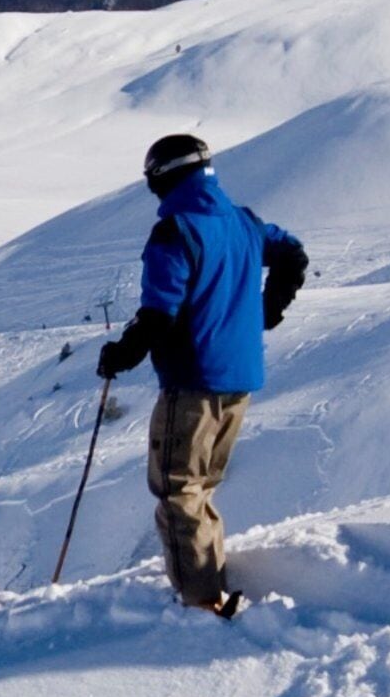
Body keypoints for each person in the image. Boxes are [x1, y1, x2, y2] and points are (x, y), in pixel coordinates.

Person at [98, 134, 308, 618]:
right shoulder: (243, 222)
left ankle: (201, 600)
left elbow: (159, 315)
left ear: (163, 175)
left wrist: (120, 355)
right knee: (200, 484)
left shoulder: (176, 231)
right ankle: (209, 581)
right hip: (241, 378)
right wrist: (267, 311)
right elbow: (294, 254)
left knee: (176, 488)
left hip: (192, 379)